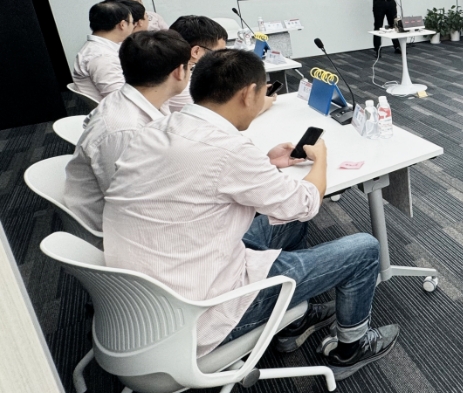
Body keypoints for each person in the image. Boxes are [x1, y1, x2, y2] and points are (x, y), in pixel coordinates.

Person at [103, 49, 399, 378]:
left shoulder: (160, 127)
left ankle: (292, 324)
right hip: (197, 316)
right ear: (248, 94)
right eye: (263, 91)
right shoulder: (229, 150)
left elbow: (204, 179)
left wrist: (266, 163)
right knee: (363, 249)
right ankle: (351, 349)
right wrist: (322, 159)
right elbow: (304, 203)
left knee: (288, 227)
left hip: (143, 302)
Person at [64, 30, 192, 231]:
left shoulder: (140, 100)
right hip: (128, 230)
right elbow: (134, 205)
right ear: (179, 72)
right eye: (190, 67)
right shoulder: (124, 132)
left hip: (145, 209)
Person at [72, 0, 134, 101]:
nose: (133, 26)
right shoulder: (101, 56)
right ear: (122, 24)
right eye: (132, 22)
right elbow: (120, 98)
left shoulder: (100, 48)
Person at [165, 16, 229, 112]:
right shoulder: (180, 84)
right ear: (196, 51)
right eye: (219, 52)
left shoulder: (170, 66)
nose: (223, 57)